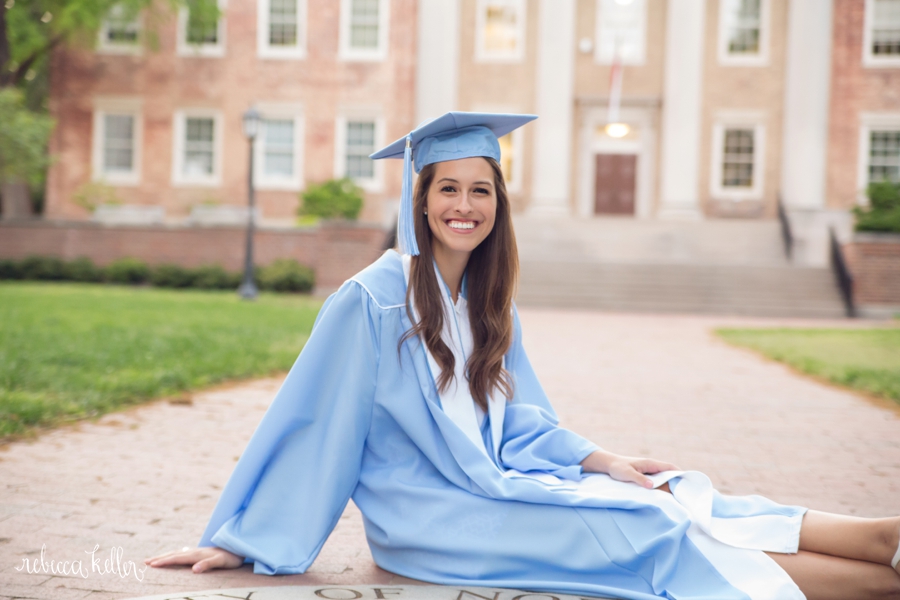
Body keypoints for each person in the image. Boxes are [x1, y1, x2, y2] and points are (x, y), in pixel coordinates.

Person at [146, 112, 900, 600]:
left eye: (481, 190)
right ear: (421, 200)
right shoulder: (370, 301)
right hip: (436, 522)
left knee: (665, 496)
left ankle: (880, 538)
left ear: (498, 205)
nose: (464, 206)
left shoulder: (487, 301)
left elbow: (523, 421)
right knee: (645, 535)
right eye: (447, 189)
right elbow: (315, 428)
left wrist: (605, 461)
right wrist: (241, 541)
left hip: (497, 489)